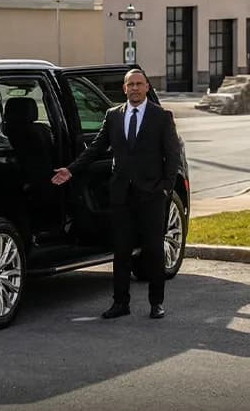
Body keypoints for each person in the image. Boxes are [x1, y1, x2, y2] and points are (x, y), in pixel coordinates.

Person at [51, 68, 181, 320]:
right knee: (121, 251)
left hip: (151, 195)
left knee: (153, 250)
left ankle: (156, 303)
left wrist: (166, 187)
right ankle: (120, 303)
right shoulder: (113, 116)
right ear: (124, 89)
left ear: (147, 87)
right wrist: (71, 170)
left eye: (139, 84)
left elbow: (172, 155)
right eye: (130, 84)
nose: (135, 88)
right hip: (122, 195)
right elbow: (96, 148)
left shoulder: (161, 116)